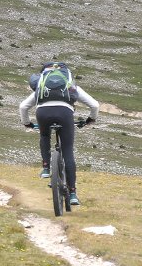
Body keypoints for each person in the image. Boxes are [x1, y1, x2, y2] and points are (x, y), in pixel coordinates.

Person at [18, 61, 99, 206]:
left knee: (44, 135)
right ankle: (73, 193)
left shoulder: (41, 85)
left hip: (42, 113)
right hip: (65, 113)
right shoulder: (70, 85)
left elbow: (23, 106)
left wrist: (27, 123)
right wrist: (90, 119)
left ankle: (45, 168)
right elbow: (95, 105)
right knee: (67, 151)